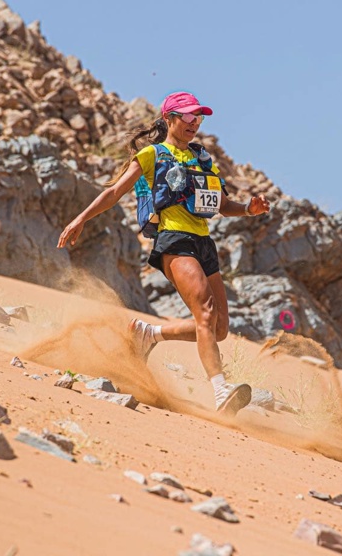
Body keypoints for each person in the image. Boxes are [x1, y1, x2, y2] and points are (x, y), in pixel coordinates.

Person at [57, 91, 271, 414]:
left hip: (204, 244)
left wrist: (248, 209)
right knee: (206, 312)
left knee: (220, 327)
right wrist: (80, 218)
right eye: (187, 117)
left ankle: (149, 334)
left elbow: (222, 205)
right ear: (169, 119)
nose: (194, 123)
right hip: (174, 241)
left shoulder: (202, 158)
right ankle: (220, 391)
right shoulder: (152, 155)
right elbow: (115, 191)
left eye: (198, 118)